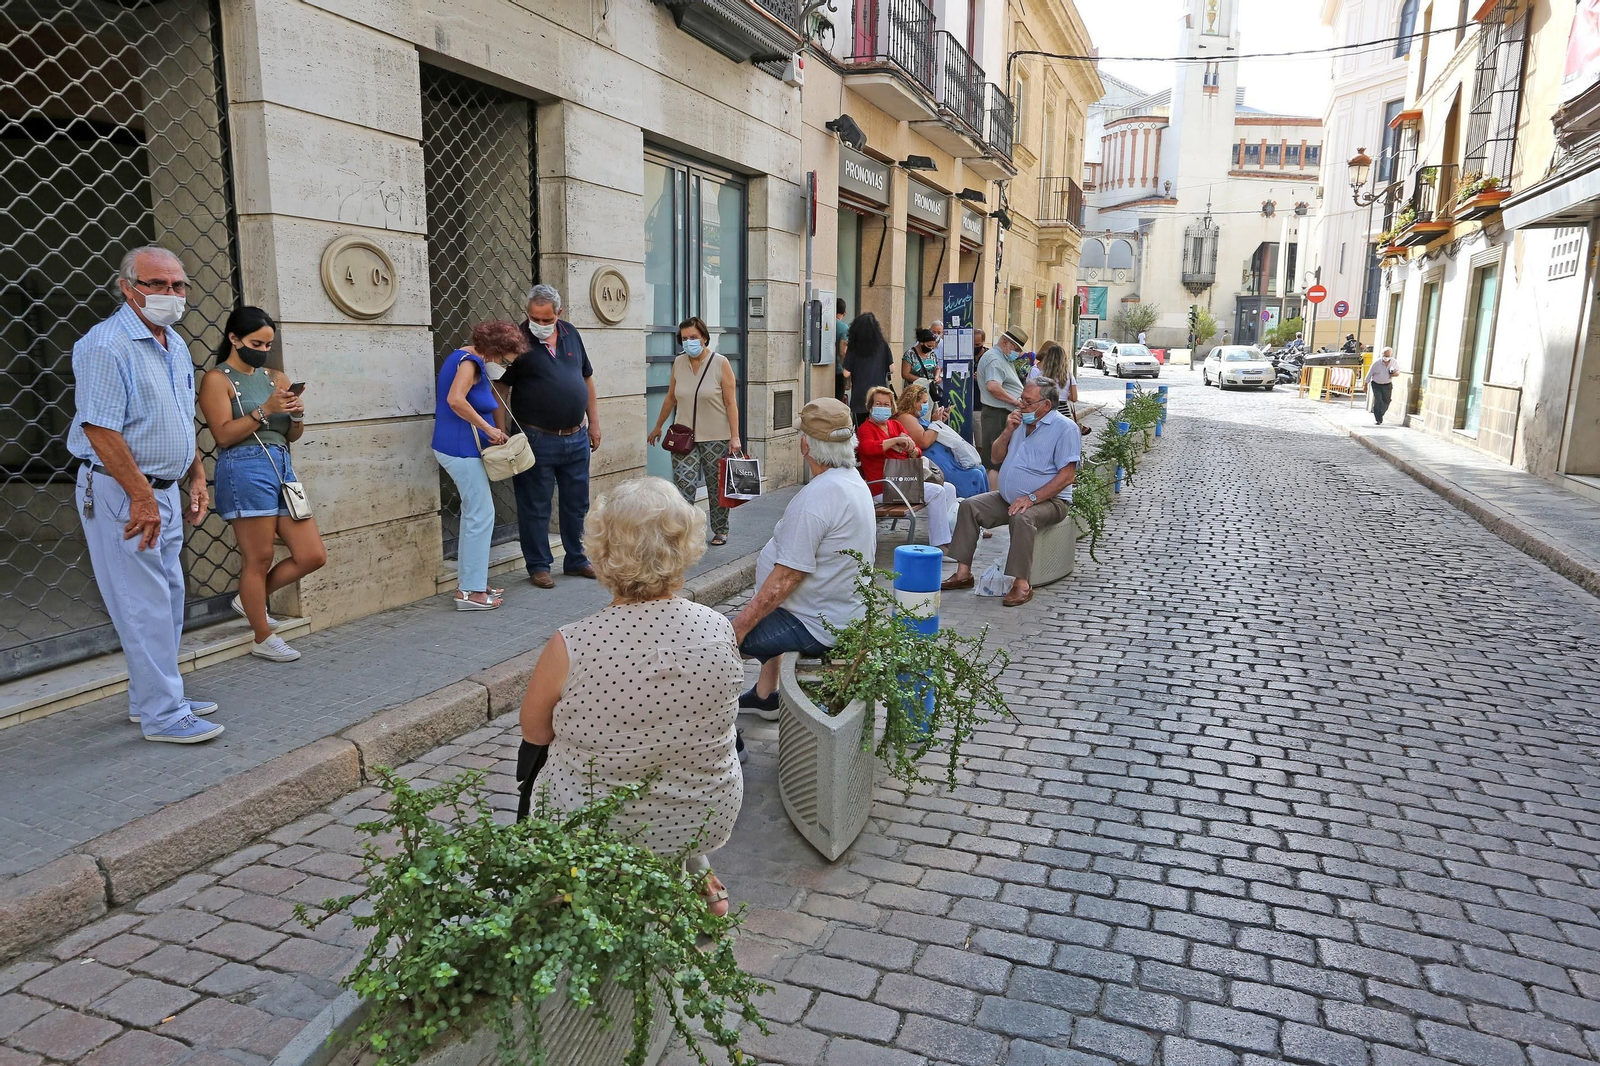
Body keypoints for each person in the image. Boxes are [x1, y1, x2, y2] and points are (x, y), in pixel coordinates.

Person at [520, 478, 741, 915]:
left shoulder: (573, 644)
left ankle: (567, 892)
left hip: (600, 826)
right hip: (705, 812)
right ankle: (689, 864)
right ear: (685, 545)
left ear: (601, 551)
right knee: (673, 757)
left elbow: (536, 732)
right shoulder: (717, 628)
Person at [67, 246, 221, 743]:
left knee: (170, 597)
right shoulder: (105, 346)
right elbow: (99, 429)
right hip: (124, 492)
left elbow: (179, 418)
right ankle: (162, 714)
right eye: (157, 284)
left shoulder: (173, 342)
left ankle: (152, 697)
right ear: (127, 287)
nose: (170, 295)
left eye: (178, 286)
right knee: (143, 604)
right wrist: (140, 497)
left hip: (163, 489)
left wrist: (196, 474)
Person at [731, 399, 876, 720]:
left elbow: (786, 579)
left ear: (805, 445)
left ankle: (720, 735)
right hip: (833, 611)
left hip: (816, 625)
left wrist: (737, 629)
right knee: (768, 605)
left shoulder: (818, 496)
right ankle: (765, 696)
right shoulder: (851, 480)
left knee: (715, 645)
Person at [198, 305, 327, 660]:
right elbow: (223, 436)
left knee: (312, 555)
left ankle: (248, 599)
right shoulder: (217, 380)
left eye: (269, 344)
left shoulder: (276, 377)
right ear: (234, 338)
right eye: (257, 342)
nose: (263, 350)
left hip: (282, 466)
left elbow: (292, 435)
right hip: (243, 468)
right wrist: (265, 410)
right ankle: (262, 635)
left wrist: (297, 414)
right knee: (259, 557)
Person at [939, 378, 1080, 609]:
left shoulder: (1065, 429)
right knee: (969, 506)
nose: (1021, 405)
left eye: (1027, 402)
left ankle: (1022, 584)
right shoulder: (1020, 424)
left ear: (1046, 405)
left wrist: (1032, 498)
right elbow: (995, 457)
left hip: (1050, 501)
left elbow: (1067, 476)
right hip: (1008, 498)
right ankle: (963, 573)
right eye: (1021, 400)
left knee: (1022, 516)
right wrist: (1007, 431)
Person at [497, 284, 600, 589]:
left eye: (546, 319)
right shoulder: (516, 340)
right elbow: (500, 388)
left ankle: (577, 559)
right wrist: (501, 431)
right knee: (535, 504)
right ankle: (539, 565)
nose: (540, 325)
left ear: (558, 313)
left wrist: (594, 424)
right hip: (536, 437)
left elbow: (587, 379)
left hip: (576, 436)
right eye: (534, 319)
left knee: (577, 503)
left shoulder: (570, 333)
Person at [429, 321, 525, 610]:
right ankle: (469, 593)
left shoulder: (463, 357)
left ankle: (474, 583)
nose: (509, 361)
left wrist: (491, 430)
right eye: (507, 355)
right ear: (496, 349)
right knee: (480, 516)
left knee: (477, 514)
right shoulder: (470, 363)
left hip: (459, 448)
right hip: (460, 449)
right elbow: (455, 400)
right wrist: (489, 429)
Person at [648, 316, 743, 546]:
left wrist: (735, 436)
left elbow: (731, 403)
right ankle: (685, 533)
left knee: (715, 486)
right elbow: (671, 398)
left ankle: (720, 529)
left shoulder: (721, 363)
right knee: (684, 487)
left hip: (716, 436)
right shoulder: (679, 364)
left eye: (693, 337)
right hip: (683, 437)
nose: (689, 342)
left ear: (704, 338)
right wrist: (658, 426)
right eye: (684, 339)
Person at [856, 385, 957, 550]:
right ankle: (940, 545)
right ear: (870, 407)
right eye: (878, 404)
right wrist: (894, 441)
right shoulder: (865, 429)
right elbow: (868, 448)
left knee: (950, 488)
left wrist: (910, 449)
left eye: (886, 404)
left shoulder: (895, 425)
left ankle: (950, 534)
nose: (883, 407)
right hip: (884, 487)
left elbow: (917, 450)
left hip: (904, 480)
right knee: (937, 492)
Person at [895, 382, 986, 498]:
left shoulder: (916, 417)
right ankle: (972, 509)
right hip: (935, 463)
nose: (926, 405)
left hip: (946, 460)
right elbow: (924, 442)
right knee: (975, 475)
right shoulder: (905, 417)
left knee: (980, 469)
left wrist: (939, 422)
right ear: (913, 402)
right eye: (923, 402)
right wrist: (936, 423)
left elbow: (931, 433)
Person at [977, 326, 1027, 490]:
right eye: (1016, 348)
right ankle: (992, 498)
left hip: (1000, 412)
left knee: (999, 458)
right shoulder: (995, 359)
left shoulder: (1001, 357)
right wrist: (1015, 401)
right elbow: (993, 386)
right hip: (997, 413)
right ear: (1006, 343)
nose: (1017, 353)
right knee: (994, 461)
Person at [842, 311, 892, 426]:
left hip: (860, 395)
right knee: (879, 427)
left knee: (862, 428)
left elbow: (846, 373)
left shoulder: (854, 346)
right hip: (879, 394)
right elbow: (892, 368)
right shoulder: (883, 344)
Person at [902, 327, 943, 402]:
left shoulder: (932, 354)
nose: (931, 349)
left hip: (930, 392)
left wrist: (937, 376)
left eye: (933, 347)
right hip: (914, 392)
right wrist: (923, 381)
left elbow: (937, 367)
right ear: (921, 343)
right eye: (929, 346)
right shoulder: (910, 354)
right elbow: (905, 374)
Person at [1365, 345, 1399, 425]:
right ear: (1382, 354)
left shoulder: (1394, 362)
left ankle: (1379, 413)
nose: (1386, 357)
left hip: (1387, 385)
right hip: (1376, 384)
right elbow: (1369, 374)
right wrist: (1365, 385)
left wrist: (1394, 374)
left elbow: (1398, 372)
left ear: (1390, 355)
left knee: (1387, 401)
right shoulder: (1376, 363)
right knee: (1379, 400)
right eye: (1384, 355)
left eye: (1388, 355)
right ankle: (1378, 419)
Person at [834, 298, 849, 403]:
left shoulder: (826, 323)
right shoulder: (844, 328)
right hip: (839, 371)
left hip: (824, 369)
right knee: (838, 401)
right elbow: (843, 352)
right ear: (844, 312)